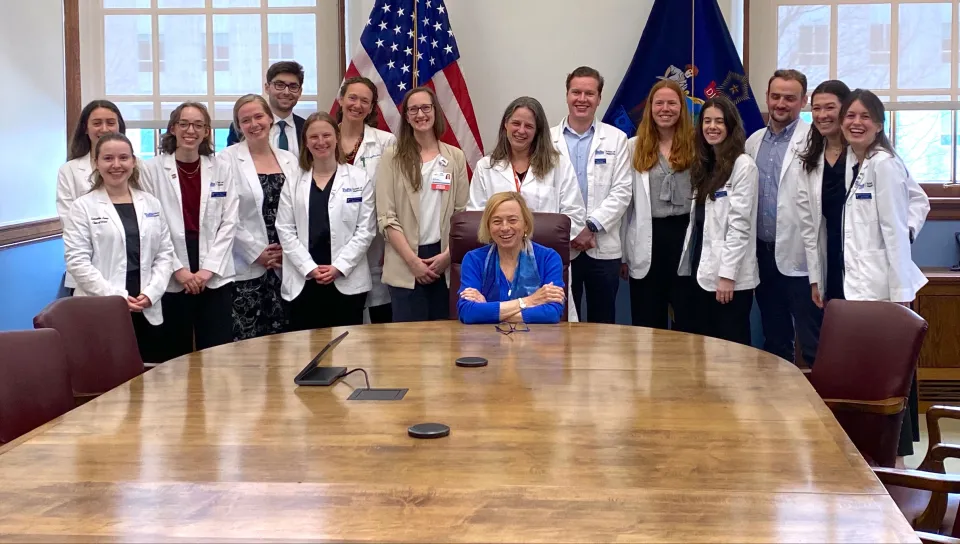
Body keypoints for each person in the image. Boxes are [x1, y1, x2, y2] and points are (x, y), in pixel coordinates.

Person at [838, 89, 929, 463]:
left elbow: (893, 229)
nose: (856, 122)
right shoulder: (856, 161)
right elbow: (916, 201)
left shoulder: (884, 164)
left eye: (865, 116)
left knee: (891, 374)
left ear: (879, 124)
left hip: (883, 293)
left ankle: (897, 456)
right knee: (873, 373)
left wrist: (899, 296)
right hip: (861, 288)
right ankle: (876, 452)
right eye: (850, 116)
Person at [62, 133, 174, 364]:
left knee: (151, 377)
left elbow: (165, 254)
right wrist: (116, 297)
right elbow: (77, 262)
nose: (116, 165)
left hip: (146, 303)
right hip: (103, 304)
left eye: (123, 158)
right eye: (108, 158)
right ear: (96, 163)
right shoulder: (83, 207)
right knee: (108, 380)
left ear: (133, 161)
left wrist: (152, 292)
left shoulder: (150, 203)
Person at [141, 102, 238, 361]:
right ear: (173, 128)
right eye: (184, 124)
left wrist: (207, 271)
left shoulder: (221, 168)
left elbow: (229, 223)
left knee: (218, 352)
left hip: (214, 270)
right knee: (175, 355)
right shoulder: (151, 170)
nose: (190, 130)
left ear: (207, 131)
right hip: (171, 266)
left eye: (198, 125)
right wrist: (180, 271)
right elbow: (151, 226)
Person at [745, 69, 822, 366]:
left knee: (813, 338)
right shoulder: (752, 142)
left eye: (790, 98)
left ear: (803, 101)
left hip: (801, 257)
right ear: (766, 97)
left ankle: (822, 408)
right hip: (763, 255)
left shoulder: (817, 140)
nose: (781, 103)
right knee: (774, 336)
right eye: (775, 96)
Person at [375, 87, 469, 322]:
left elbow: (462, 215)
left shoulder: (455, 157)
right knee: (408, 346)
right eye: (413, 109)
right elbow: (386, 216)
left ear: (435, 111)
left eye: (426, 108)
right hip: (405, 261)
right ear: (406, 116)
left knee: (446, 344)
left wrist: (447, 256)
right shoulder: (392, 157)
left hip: (444, 261)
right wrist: (413, 262)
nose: (420, 114)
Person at [276, 112, 376, 331]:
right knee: (304, 355)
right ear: (305, 142)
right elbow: (285, 229)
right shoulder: (294, 180)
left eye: (326, 135)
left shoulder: (359, 178)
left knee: (348, 352)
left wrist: (339, 267)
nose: (321, 142)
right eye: (314, 137)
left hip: (346, 281)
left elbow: (366, 231)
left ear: (337, 137)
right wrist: (309, 268)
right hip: (304, 281)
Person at [548, 66, 631, 324]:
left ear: (599, 98)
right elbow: (544, 192)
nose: (582, 99)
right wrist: (574, 231)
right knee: (561, 319)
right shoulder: (546, 140)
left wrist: (591, 227)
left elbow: (622, 191)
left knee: (603, 321)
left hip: (602, 247)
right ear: (566, 95)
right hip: (561, 247)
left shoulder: (617, 139)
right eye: (576, 92)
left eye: (589, 93)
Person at [678, 96, 759, 346]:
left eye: (719, 122)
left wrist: (727, 276)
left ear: (731, 126)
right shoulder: (706, 164)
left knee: (731, 348)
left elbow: (740, 227)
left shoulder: (743, 165)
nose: (712, 127)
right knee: (705, 347)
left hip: (729, 278)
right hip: (702, 268)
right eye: (707, 121)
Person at [218, 94, 300, 340]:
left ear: (270, 118)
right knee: (247, 345)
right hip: (246, 265)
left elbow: (299, 210)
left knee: (286, 342)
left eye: (258, 116)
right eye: (245, 120)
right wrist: (257, 252)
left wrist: (289, 250)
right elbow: (223, 214)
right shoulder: (226, 159)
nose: (254, 124)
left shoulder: (290, 159)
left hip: (285, 262)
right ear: (238, 126)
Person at [621, 79, 697, 331]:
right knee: (646, 319)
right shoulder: (633, 147)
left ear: (682, 107)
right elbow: (625, 203)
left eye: (672, 103)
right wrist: (623, 252)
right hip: (647, 237)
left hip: (686, 238)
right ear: (650, 108)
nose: (665, 108)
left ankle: (684, 371)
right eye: (659, 103)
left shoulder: (698, 146)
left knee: (687, 317)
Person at [469, 97, 586, 239]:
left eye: (529, 126)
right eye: (516, 123)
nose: (521, 130)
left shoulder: (559, 165)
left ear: (538, 130)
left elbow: (575, 215)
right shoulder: (485, 167)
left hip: (545, 251)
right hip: (499, 250)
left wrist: (533, 238)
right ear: (506, 124)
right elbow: (476, 215)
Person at [336, 76, 397, 324]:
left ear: (372, 107)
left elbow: (393, 195)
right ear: (340, 100)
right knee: (343, 319)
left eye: (365, 101)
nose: (357, 105)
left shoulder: (385, 142)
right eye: (352, 98)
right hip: (335, 239)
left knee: (379, 314)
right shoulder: (324, 138)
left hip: (376, 242)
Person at [458, 192, 566, 325]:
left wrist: (487, 312)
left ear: (526, 224)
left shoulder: (548, 258)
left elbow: (552, 313)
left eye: (512, 220)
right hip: (486, 341)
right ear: (488, 227)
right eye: (497, 221)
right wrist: (530, 301)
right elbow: (468, 313)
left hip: (537, 341)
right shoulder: (474, 259)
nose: (505, 228)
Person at [57, 100, 127, 297]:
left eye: (110, 122)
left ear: (120, 126)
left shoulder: (137, 166)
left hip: (133, 268)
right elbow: (70, 224)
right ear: (85, 129)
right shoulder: (69, 171)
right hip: (88, 270)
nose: (104, 128)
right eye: (97, 123)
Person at [226, 61, 307, 151]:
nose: (286, 92)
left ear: (300, 92)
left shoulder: (306, 128)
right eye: (279, 85)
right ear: (267, 88)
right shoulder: (245, 127)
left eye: (293, 87)